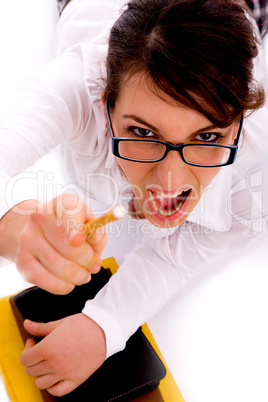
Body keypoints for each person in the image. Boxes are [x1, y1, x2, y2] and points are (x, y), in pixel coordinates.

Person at [0, 0, 267, 397]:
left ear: (240, 122)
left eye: (208, 136)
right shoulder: (78, 82)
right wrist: (9, 222)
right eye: (142, 133)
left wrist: (106, 324)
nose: (171, 181)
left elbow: (182, 252)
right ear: (105, 103)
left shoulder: (257, 168)